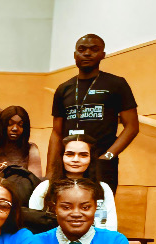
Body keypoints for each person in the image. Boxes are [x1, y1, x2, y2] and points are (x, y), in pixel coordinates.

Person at [48, 33, 138, 190]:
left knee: (99, 205)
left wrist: (108, 156)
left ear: (103, 54)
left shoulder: (116, 84)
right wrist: (50, 171)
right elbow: (56, 133)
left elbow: (132, 126)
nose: (87, 53)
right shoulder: (63, 89)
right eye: (82, 49)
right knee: (66, 203)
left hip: (101, 164)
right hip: (69, 163)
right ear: (75, 55)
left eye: (94, 49)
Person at [28, 133, 120, 232]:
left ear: (91, 159)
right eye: (70, 154)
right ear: (61, 157)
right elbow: (33, 223)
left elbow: (110, 228)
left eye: (83, 155)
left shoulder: (103, 188)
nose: (76, 160)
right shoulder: (45, 187)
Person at [0, 105, 43, 196]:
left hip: (24, 196)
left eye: (20, 125)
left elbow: (35, 182)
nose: (15, 129)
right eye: (10, 124)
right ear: (1, 125)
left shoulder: (31, 148)